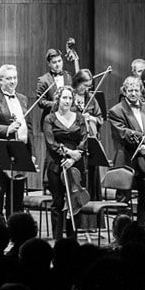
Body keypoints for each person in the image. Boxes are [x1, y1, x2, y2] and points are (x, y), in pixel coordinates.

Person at [107, 75, 145, 227]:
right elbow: (124, 133)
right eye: (130, 90)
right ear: (124, 91)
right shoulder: (115, 111)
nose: (133, 93)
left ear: (141, 91)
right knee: (123, 198)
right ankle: (123, 231)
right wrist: (144, 139)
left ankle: (142, 229)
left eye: (136, 90)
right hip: (126, 158)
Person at [42, 86, 88, 239]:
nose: (67, 101)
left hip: (76, 165)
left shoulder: (79, 117)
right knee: (57, 202)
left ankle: (72, 239)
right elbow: (51, 143)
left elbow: (84, 139)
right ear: (58, 99)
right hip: (57, 164)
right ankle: (57, 239)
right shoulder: (50, 119)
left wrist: (74, 157)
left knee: (75, 202)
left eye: (70, 98)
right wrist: (69, 153)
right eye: (64, 98)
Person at [0, 64, 31, 219]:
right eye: (8, 78)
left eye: (14, 78)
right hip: (0, 155)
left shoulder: (23, 99)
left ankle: (15, 229)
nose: (13, 81)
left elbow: (28, 128)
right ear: (0, 80)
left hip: (19, 154)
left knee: (17, 199)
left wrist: (30, 154)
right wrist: (8, 129)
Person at [71, 68, 106, 198]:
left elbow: (100, 118)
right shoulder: (69, 96)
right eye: (84, 85)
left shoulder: (91, 98)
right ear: (77, 82)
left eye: (89, 86)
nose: (86, 89)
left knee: (91, 172)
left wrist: (91, 118)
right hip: (75, 141)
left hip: (90, 139)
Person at [36, 48, 71, 115]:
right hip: (51, 117)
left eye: (59, 61)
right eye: (54, 62)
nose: (58, 64)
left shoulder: (69, 77)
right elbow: (40, 102)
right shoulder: (43, 80)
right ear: (49, 64)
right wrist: (57, 104)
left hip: (67, 117)